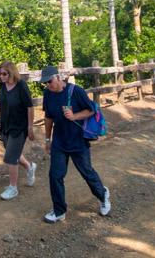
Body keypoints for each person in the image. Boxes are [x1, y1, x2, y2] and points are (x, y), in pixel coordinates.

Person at [40, 66, 110, 223]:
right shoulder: (48, 94)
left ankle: (102, 195)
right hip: (59, 141)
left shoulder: (76, 91)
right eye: (45, 83)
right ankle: (59, 210)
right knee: (55, 175)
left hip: (78, 140)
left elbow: (91, 110)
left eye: (49, 81)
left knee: (87, 172)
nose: (48, 85)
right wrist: (47, 140)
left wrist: (75, 116)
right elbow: (48, 117)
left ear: (58, 78)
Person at [0, 61, 37, 200]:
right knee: (13, 153)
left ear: (11, 73)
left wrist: (30, 126)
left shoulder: (21, 86)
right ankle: (29, 167)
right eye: (0, 74)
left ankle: (13, 188)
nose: (1, 76)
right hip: (6, 125)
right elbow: (2, 104)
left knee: (11, 157)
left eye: (4, 74)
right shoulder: (2, 86)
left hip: (19, 126)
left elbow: (30, 107)